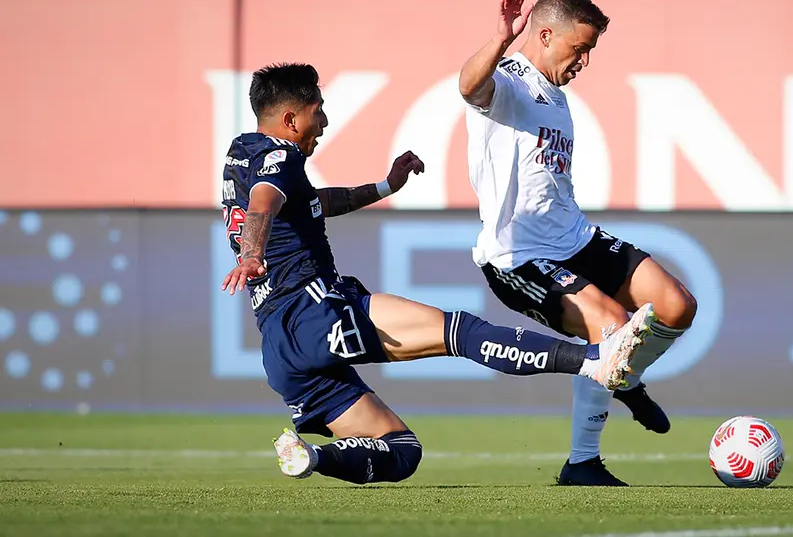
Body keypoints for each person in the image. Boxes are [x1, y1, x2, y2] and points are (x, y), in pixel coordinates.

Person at [219, 62, 660, 485]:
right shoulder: (282, 156)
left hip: (280, 346)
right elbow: (264, 203)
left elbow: (313, 203)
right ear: (292, 119)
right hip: (315, 310)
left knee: (401, 448)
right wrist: (252, 254)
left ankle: (309, 456)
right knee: (460, 332)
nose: (326, 121)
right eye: (318, 111)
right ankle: (594, 361)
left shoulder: (243, 152)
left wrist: (385, 186)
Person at [459, 0, 699, 486]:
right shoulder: (509, 82)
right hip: (517, 257)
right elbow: (468, 85)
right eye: (579, 49)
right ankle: (582, 462)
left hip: (577, 239)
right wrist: (501, 38)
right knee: (611, 326)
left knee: (677, 306)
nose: (584, 62)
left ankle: (623, 376)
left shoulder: (557, 98)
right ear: (545, 35)